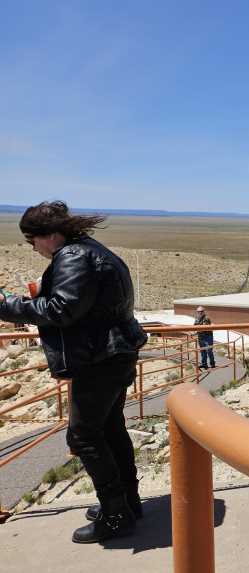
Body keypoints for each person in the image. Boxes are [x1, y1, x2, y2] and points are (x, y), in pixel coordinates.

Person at [0, 201, 147, 543]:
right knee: (110, 428)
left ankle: (116, 516)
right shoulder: (88, 249)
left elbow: (61, 309)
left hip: (101, 358)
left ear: (50, 235)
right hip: (113, 353)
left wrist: (6, 306)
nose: (32, 247)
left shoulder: (73, 255)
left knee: (84, 436)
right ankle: (127, 502)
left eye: (32, 240)